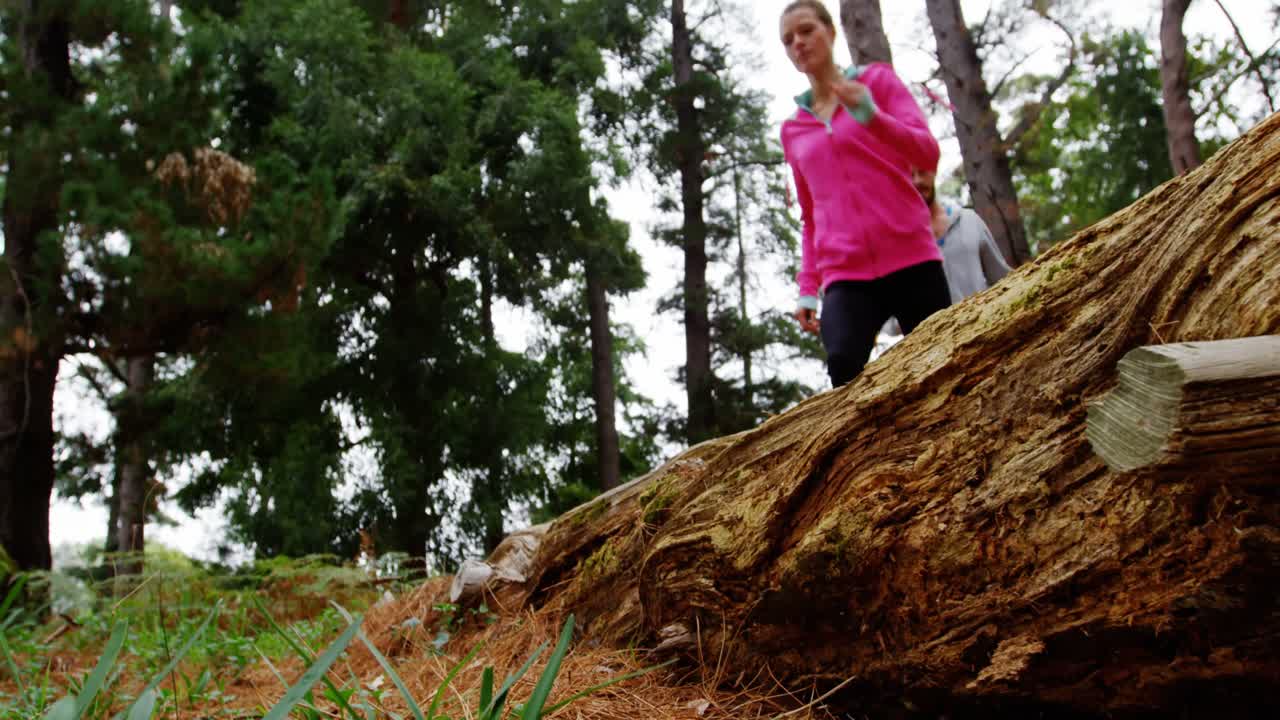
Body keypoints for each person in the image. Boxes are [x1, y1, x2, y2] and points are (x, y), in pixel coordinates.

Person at [780, 0, 951, 388]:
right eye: (788, 40)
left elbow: (927, 153)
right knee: (842, 366)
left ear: (831, 31)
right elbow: (811, 215)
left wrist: (872, 117)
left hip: (911, 256)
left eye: (806, 30)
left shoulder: (878, 83)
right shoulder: (794, 130)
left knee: (944, 369)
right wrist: (808, 288)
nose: (798, 44)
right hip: (846, 274)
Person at [912, 167, 1011, 303]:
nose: (917, 181)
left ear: (933, 171)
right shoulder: (898, 242)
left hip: (987, 322)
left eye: (922, 172)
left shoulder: (968, 220)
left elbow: (1003, 280)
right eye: (910, 175)